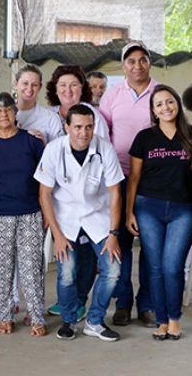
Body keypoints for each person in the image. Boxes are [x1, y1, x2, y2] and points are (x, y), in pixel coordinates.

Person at [35, 104, 125, 342]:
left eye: (88, 127)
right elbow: (44, 194)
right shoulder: (54, 150)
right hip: (65, 219)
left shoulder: (104, 150)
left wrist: (114, 233)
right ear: (67, 127)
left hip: (99, 217)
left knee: (113, 269)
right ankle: (68, 321)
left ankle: (95, 321)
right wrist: (57, 235)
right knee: (67, 273)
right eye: (77, 127)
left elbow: (115, 192)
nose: (83, 133)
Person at [125, 85, 192, 341]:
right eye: (159, 104)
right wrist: (128, 212)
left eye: (169, 102)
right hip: (148, 208)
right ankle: (162, 320)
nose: (165, 107)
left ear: (177, 103)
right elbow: (133, 178)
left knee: (172, 267)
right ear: (153, 111)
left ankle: (175, 318)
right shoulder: (144, 137)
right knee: (154, 267)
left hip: (183, 209)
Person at [0, 93, 47, 335]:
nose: (3, 114)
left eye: (7, 109)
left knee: (31, 268)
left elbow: (45, 182)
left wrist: (46, 214)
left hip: (30, 215)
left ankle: (37, 318)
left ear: (15, 113)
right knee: (3, 268)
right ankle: (5, 317)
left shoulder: (32, 143)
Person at [100, 42, 158, 327]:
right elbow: (103, 134)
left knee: (149, 244)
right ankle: (123, 302)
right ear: (123, 66)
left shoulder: (161, 93)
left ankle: (146, 305)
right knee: (120, 243)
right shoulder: (112, 95)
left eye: (143, 60)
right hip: (119, 180)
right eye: (131, 61)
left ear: (150, 63)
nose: (137, 66)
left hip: (151, 181)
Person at [43, 64, 107, 323]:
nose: (68, 90)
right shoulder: (48, 116)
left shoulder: (93, 117)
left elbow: (100, 152)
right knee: (66, 251)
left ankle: (80, 301)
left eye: (74, 85)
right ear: (55, 90)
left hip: (90, 196)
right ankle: (68, 301)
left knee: (86, 251)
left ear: (83, 89)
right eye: (62, 86)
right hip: (57, 197)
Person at [14, 64, 63, 144]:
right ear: (16, 84)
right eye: (25, 83)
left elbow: (58, 152)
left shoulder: (51, 118)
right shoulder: (4, 115)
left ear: (40, 87)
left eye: (34, 85)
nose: (29, 89)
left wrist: (43, 144)